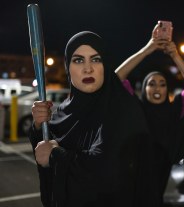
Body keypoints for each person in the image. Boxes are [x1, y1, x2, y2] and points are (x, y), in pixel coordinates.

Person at [29, 31, 150, 207]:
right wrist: (39, 127)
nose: (88, 68)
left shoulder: (124, 110)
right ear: (67, 68)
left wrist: (56, 156)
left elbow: (107, 173)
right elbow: (43, 152)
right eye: (78, 60)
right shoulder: (62, 112)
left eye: (95, 59)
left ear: (105, 65)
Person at [115, 24, 184, 207]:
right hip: (131, 180)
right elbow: (117, 78)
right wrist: (149, 49)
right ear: (144, 88)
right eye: (151, 84)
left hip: (158, 184)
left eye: (162, 84)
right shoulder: (137, 108)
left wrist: (174, 55)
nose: (157, 88)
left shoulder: (176, 108)